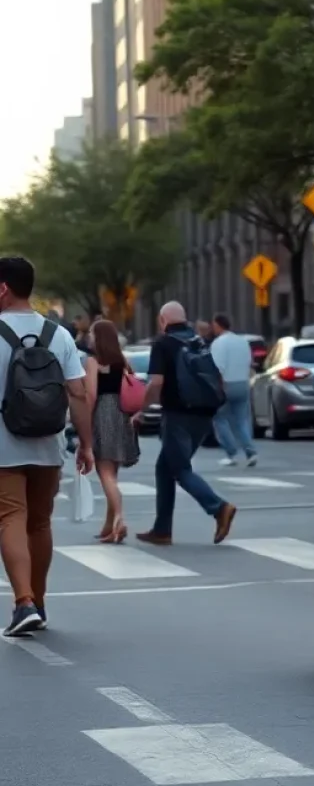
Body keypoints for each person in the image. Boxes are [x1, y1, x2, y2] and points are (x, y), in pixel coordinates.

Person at [0, 256, 93, 636]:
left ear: (3, 288)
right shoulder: (59, 334)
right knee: (39, 523)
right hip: (49, 444)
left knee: (10, 518)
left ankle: (23, 603)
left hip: (3, 445)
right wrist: (85, 444)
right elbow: (78, 392)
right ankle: (38, 601)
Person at [135, 301, 236, 547]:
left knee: (180, 469)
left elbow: (156, 382)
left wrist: (139, 410)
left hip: (177, 414)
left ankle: (219, 507)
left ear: (162, 320)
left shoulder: (162, 343)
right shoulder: (199, 341)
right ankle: (162, 529)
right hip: (203, 415)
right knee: (164, 468)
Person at [85, 319, 141, 543]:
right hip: (122, 414)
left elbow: (90, 395)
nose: (89, 337)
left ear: (99, 337)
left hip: (103, 414)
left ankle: (119, 519)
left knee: (105, 473)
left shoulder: (93, 362)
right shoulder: (122, 361)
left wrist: (84, 425)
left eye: (91, 333)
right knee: (112, 474)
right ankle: (109, 526)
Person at [209, 312, 257, 468]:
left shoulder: (218, 343)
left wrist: (217, 388)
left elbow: (218, 368)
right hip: (242, 383)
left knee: (219, 419)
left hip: (226, 384)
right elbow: (249, 363)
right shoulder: (243, 342)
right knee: (242, 420)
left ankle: (231, 453)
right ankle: (250, 452)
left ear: (217, 325)